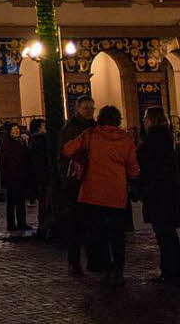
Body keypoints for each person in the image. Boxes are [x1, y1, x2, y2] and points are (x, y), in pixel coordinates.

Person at [62, 105, 139, 286]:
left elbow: (67, 150)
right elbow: (133, 167)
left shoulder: (90, 135)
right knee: (117, 234)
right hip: (116, 192)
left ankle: (101, 264)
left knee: (97, 231)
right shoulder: (126, 139)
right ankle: (118, 267)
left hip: (92, 192)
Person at [135, 106, 179, 285]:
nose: (143, 121)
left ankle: (170, 271)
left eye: (145, 118)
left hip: (157, 192)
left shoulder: (153, 139)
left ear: (151, 120)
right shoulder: (167, 137)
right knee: (167, 233)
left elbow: (147, 166)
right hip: (167, 191)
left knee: (164, 233)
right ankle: (170, 269)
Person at [59, 95, 99, 274]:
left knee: (92, 223)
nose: (90, 111)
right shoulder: (70, 129)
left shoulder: (96, 127)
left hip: (93, 180)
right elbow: (64, 153)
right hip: (76, 181)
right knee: (75, 223)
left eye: (92, 108)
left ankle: (93, 259)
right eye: (86, 108)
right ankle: (74, 262)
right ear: (78, 109)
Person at [0, 122, 30, 233]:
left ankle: (22, 222)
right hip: (12, 176)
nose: (16, 131)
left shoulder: (21, 142)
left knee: (21, 201)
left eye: (17, 129)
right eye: (14, 129)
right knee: (12, 202)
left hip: (21, 175)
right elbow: (4, 162)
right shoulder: (7, 144)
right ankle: (11, 224)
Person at [27, 118, 50, 238]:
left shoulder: (32, 140)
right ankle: (44, 227)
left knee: (42, 202)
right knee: (45, 203)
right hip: (44, 176)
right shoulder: (42, 140)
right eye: (43, 126)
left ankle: (43, 226)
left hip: (37, 176)